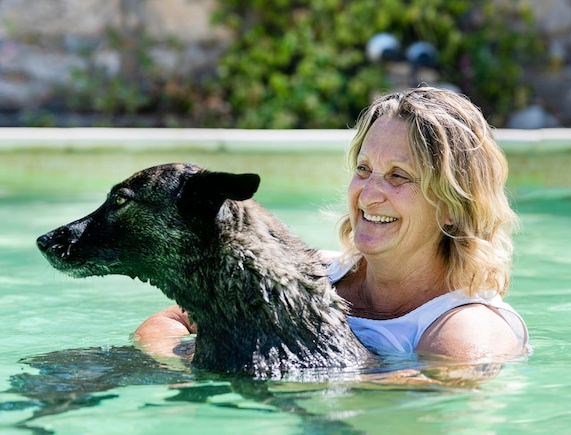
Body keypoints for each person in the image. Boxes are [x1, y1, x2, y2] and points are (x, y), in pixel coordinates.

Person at [134, 87, 530, 370]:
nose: (368, 194)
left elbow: (417, 405)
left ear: (450, 205)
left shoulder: (462, 331)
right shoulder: (310, 275)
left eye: (398, 176)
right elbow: (167, 323)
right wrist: (181, 365)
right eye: (363, 170)